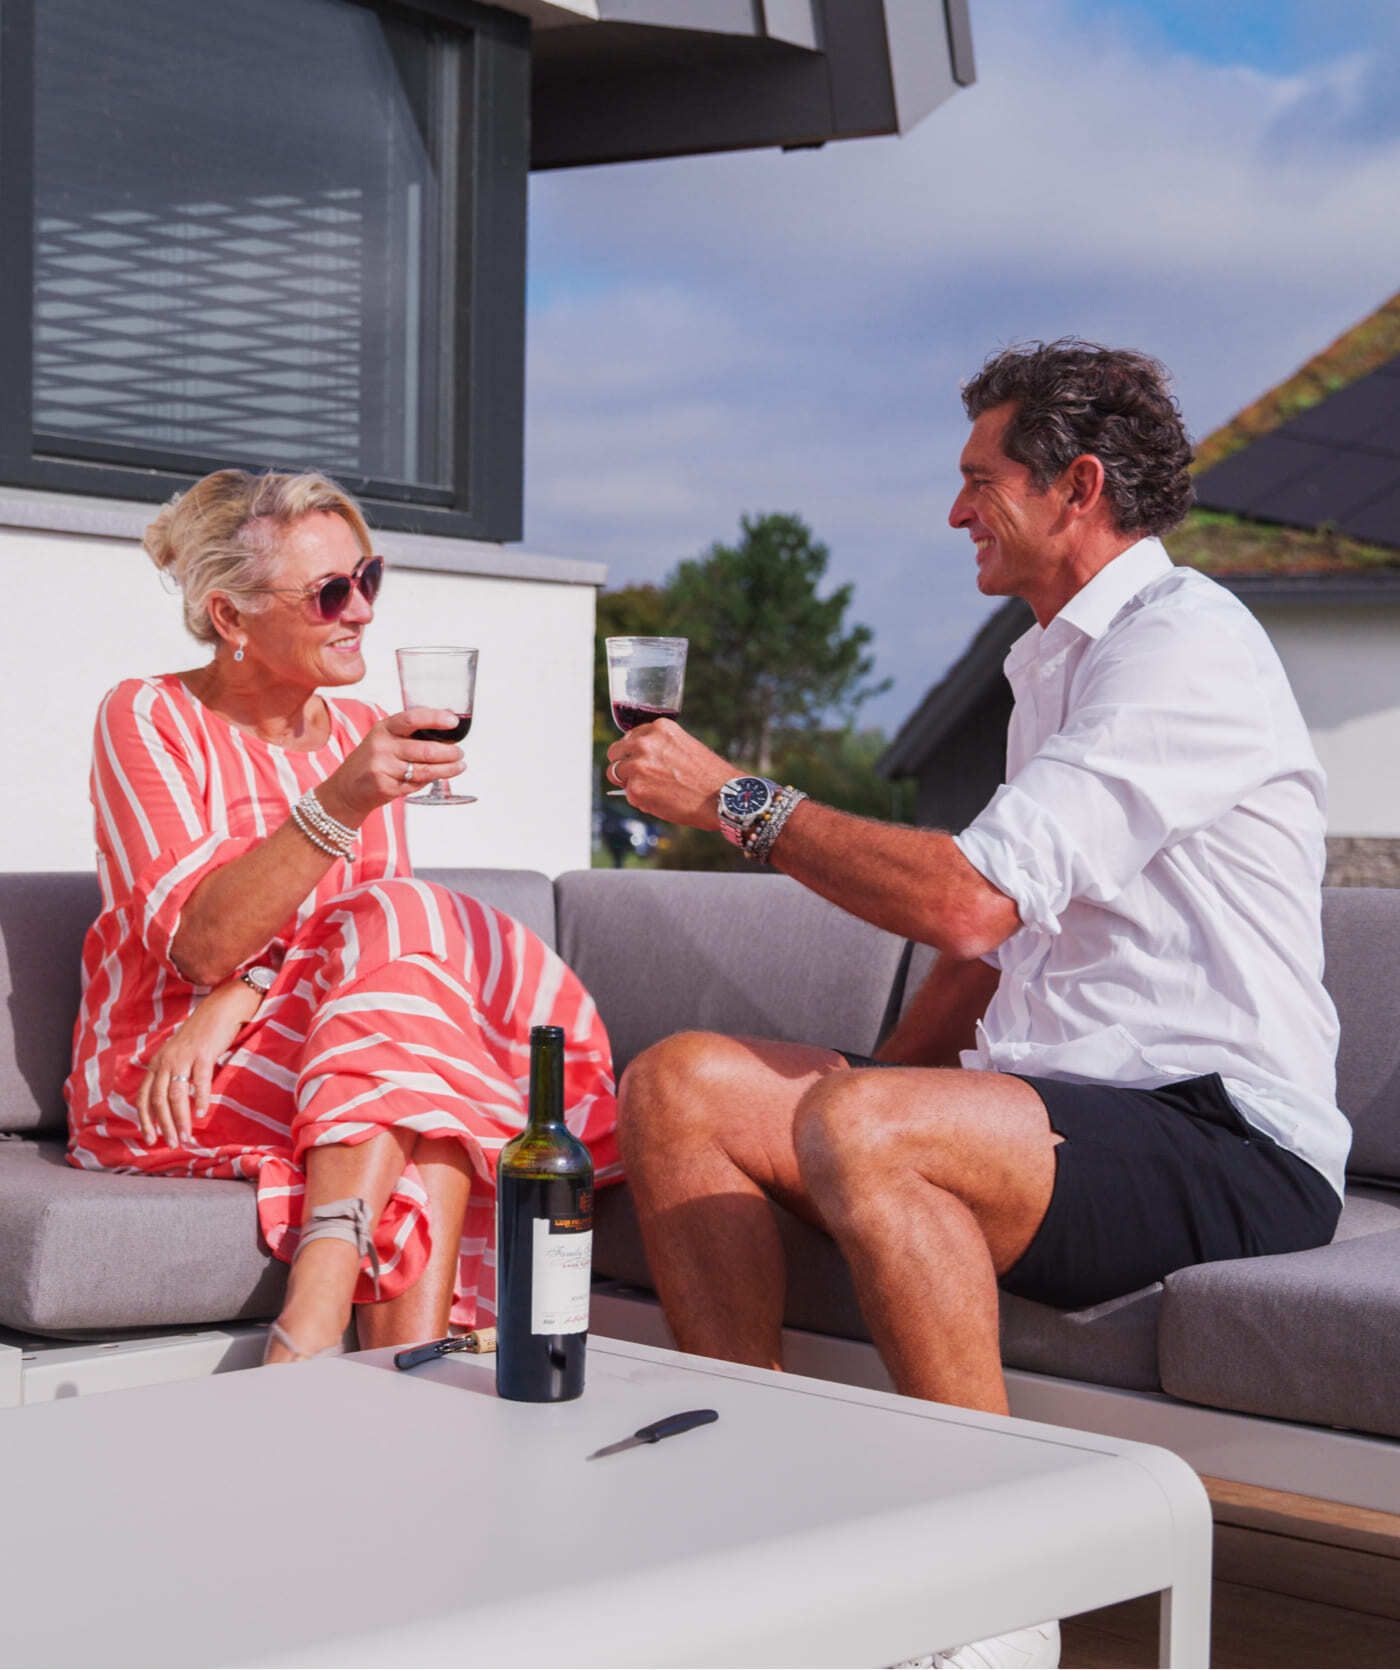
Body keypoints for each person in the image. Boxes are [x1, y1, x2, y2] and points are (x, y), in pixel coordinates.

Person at [606, 342, 1349, 1668]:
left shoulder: (1181, 649)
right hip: (1048, 1111)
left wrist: (736, 798)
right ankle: (749, 1517)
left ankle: (999, 1599)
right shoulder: (1050, 663)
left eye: (979, 481)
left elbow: (964, 904)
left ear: (1077, 487)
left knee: (865, 1125)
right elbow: (994, 952)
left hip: (1220, 1129)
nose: (955, 511)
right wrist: (863, 1092)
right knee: (678, 1085)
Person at [66, 469, 619, 1364]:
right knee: (426, 1086)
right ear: (231, 617)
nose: (361, 609)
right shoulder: (150, 716)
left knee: (412, 1040)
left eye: (369, 577)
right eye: (330, 592)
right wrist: (339, 800)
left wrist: (247, 990)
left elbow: (369, 946)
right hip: (173, 1070)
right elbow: (199, 945)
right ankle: (381, 1375)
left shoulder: (361, 726)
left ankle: (320, 1334)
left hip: (322, 1045)